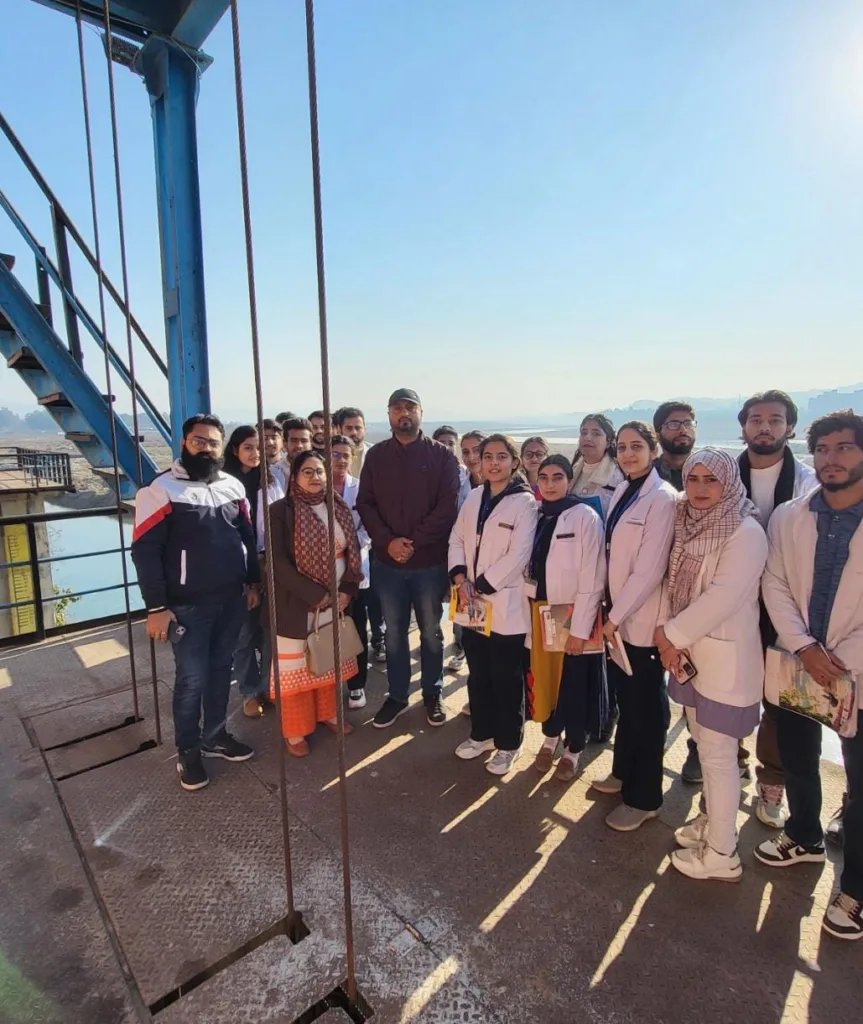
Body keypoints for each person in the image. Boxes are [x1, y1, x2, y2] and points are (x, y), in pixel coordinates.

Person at [757, 410, 863, 941]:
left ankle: (856, 891)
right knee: (798, 757)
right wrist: (803, 646)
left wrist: (837, 658)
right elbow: (774, 582)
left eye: (843, 448)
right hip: (798, 662)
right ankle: (803, 836)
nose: (830, 459)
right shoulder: (789, 516)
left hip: (852, 668)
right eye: (822, 449)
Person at [655, 449, 767, 881]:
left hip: (722, 660)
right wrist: (673, 638)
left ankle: (722, 853)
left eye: (711, 479)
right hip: (690, 657)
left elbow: (724, 596)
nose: (700, 488)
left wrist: (670, 635)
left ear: (729, 482)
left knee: (719, 756)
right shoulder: (687, 520)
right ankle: (715, 824)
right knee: (704, 745)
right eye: (693, 479)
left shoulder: (744, 530)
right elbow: (674, 581)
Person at [131, 413, 258, 791]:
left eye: (213, 442)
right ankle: (188, 751)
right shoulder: (160, 490)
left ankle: (215, 737)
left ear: (221, 448)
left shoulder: (232, 486)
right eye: (198, 441)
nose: (206, 448)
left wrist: (251, 581)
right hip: (187, 606)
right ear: (185, 443)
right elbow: (145, 552)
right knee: (191, 679)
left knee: (220, 671)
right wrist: (156, 607)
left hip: (230, 599)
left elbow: (247, 537)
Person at [735, 390, 818, 829]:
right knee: (723, 686)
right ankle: (726, 761)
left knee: (781, 701)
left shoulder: (808, 484)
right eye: (756, 419)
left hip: (786, 605)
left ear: (790, 427)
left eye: (775, 419)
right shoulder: (724, 475)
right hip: (732, 602)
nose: (764, 427)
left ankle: (772, 781)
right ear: (743, 426)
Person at [591, 421, 677, 831]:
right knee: (628, 702)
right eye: (622, 447)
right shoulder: (625, 488)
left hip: (640, 622)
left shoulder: (663, 498)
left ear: (653, 450)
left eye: (636, 446)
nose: (628, 454)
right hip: (618, 619)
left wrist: (614, 617)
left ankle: (644, 798)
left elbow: (650, 570)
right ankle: (623, 772)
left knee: (646, 710)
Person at [357, 388, 460, 728]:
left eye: (410, 407)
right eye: (397, 407)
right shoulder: (376, 457)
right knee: (394, 633)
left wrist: (412, 543)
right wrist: (388, 542)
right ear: (388, 414)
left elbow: (447, 507)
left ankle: (432, 692)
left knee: (431, 632)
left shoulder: (442, 457)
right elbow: (365, 503)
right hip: (388, 565)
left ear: (421, 412)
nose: (404, 413)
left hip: (428, 563)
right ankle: (398, 696)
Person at [449, 435, 537, 774]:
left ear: (515, 462)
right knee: (479, 674)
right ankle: (482, 734)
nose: (493, 463)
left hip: (505, 603)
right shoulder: (474, 496)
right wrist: (460, 579)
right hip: (470, 602)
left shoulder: (524, 502)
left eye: (502, 457)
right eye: (488, 456)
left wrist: (481, 586)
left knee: (506, 677)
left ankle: (509, 743)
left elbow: (519, 554)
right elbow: (457, 538)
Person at [267, 450, 363, 756]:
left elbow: (352, 549)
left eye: (319, 471)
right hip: (297, 604)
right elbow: (276, 562)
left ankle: (330, 714)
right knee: (296, 669)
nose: (315, 477)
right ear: (294, 477)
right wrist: (315, 595)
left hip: (336, 601)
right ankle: (296, 730)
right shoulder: (280, 511)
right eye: (307, 472)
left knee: (327, 661)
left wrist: (347, 588)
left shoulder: (338, 506)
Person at [528, 455, 606, 781]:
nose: (550, 484)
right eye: (544, 477)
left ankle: (574, 747)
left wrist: (580, 628)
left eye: (557, 477)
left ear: (570, 480)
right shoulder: (535, 514)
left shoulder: (584, 516)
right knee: (546, 680)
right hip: (539, 611)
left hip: (569, 613)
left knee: (574, 682)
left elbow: (593, 576)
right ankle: (550, 737)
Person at [223, 425, 286, 718]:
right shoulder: (223, 483)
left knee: (270, 632)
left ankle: (269, 686)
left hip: (270, 565)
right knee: (245, 634)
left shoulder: (271, 480)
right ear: (235, 449)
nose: (255, 453)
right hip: (238, 568)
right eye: (248, 447)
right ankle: (249, 691)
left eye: (259, 448)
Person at [331, 434, 373, 710]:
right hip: (323, 569)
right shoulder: (314, 487)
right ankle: (328, 682)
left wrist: (347, 543)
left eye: (346, 455)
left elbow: (369, 526)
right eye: (335, 454)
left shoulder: (361, 489)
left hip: (355, 568)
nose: (341, 460)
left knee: (356, 626)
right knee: (326, 628)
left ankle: (357, 684)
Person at [433, 425, 472, 673]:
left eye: (451, 443)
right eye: (442, 443)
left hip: (462, 551)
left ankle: (460, 647)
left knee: (460, 600)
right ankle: (432, 641)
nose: (447, 447)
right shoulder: (428, 472)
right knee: (433, 600)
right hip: (436, 549)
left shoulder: (465, 474)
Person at [570, 414, 624, 517]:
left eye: (596, 434)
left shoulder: (618, 478)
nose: (588, 438)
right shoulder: (571, 473)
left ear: (608, 442)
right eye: (584, 433)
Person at [653, 401, 697, 491]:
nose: (683, 430)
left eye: (688, 424)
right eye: (674, 425)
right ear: (657, 435)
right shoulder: (649, 474)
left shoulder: (709, 471)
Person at [335, 406, 372, 477]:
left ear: (364, 429)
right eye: (349, 428)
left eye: (358, 428)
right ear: (339, 430)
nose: (354, 432)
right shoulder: (331, 454)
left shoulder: (376, 453)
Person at [262, 417, 288, 489]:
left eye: (274, 438)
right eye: (265, 438)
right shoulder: (252, 468)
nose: (270, 443)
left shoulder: (290, 466)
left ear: (282, 441)